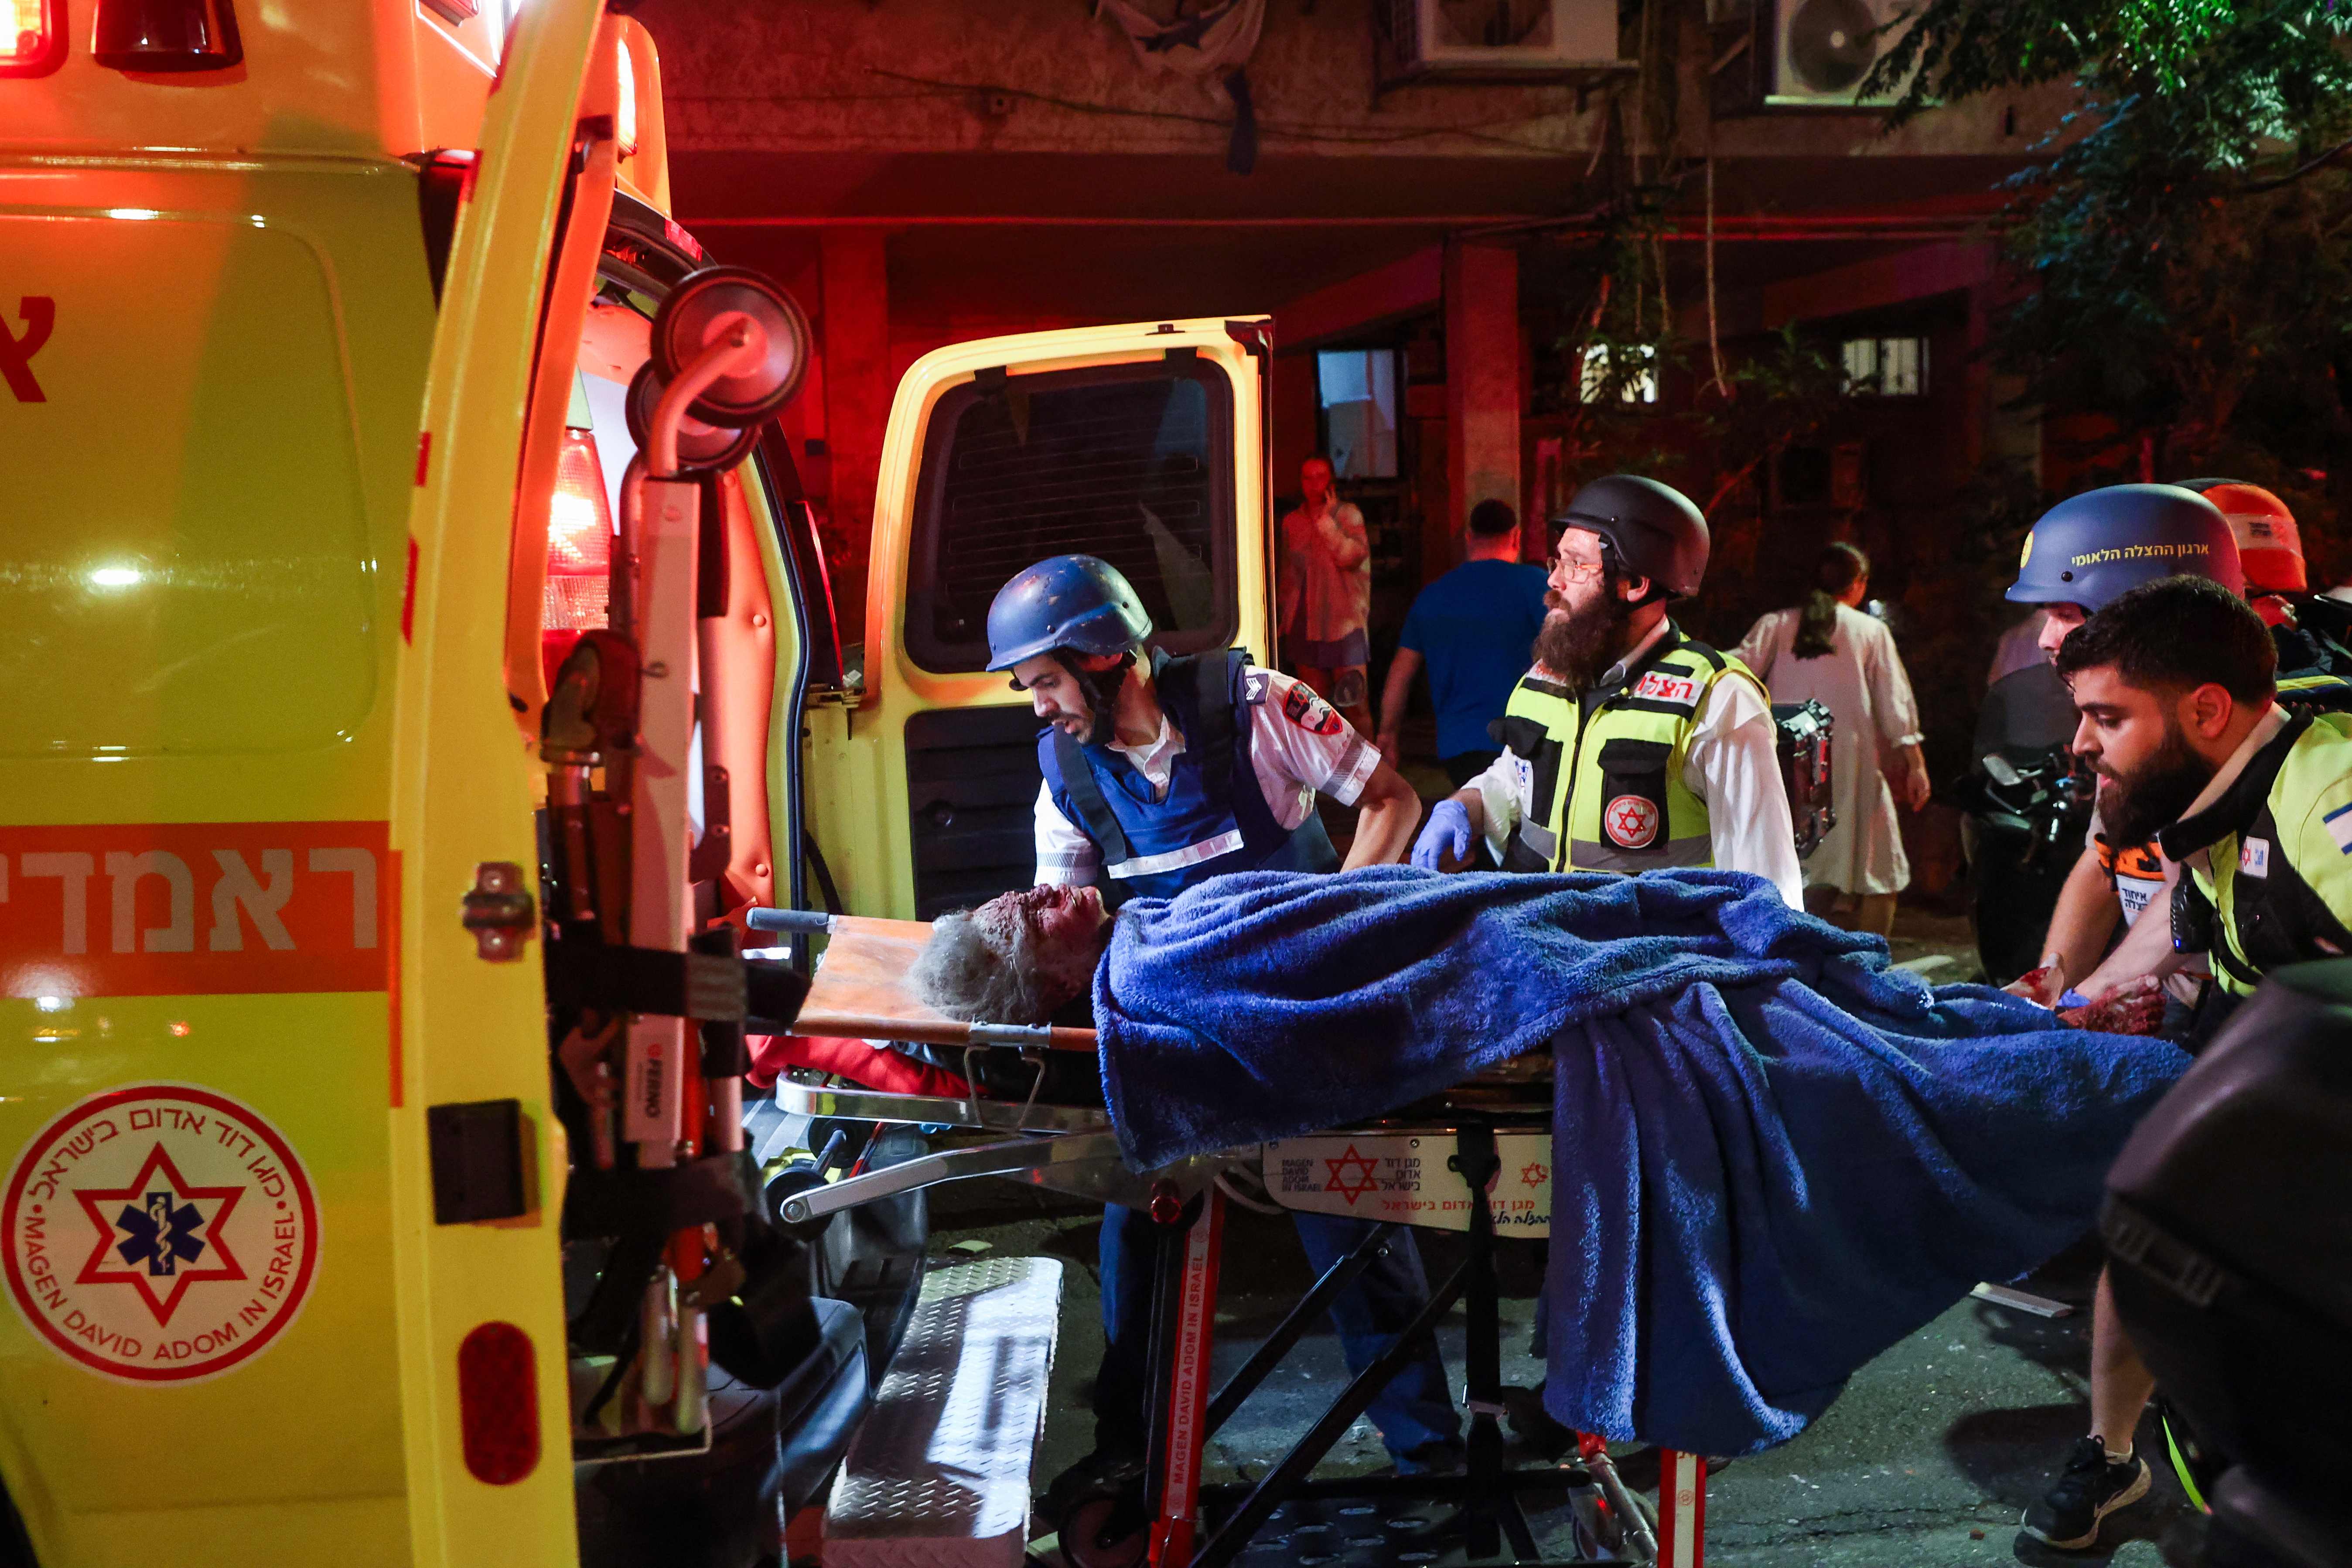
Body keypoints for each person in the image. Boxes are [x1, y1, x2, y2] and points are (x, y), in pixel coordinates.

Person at [910, 866, 2188, 1462]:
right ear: (1043, 975)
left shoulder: (1150, 921)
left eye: (1018, 892)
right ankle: (2102, 1074)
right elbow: (1341, 997)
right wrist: (1526, 950)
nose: (1037, 893)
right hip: (1546, 975)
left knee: (1851, 1026)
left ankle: (2052, 1031)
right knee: (1866, 1080)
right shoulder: (1155, 967)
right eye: (1019, 917)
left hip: (1536, 929)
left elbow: (1372, 910)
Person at [986, 553, 1461, 1489]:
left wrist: (1331, 932)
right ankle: (1136, 1458)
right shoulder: (1064, 775)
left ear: (1106, 655)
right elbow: (1074, 921)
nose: (1038, 706)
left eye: (1044, 681)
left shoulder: (1256, 705)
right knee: (1138, 1228)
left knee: (1354, 1222)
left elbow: (1390, 801)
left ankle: (1430, 1456)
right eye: (1028, 688)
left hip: (1301, 1021)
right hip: (1184, 1038)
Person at [2022, 574, 2352, 1549]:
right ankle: (2115, 1453)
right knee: (2150, 1216)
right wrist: (2070, 1003)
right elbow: (2191, 926)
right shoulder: (2217, 779)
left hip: (2315, 1109)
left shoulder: (2326, 789)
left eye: (2104, 718)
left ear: (2204, 709)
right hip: (2283, 1077)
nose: (2080, 744)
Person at [1408, 474, 1803, 907]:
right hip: (1536, 939)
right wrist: (1466, 806)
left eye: (1576, 564)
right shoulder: (1545, 677)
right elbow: (1515, 779)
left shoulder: (1716, 700)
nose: (1554, 581)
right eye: (1556, 561)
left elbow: (1767, 886)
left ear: (1635, 584)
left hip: (1651, 959)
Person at [2001, 485, 2245, 1006]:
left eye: (2065, 613)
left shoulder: (2219, 727)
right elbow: (2104, 860)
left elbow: (2188, 899)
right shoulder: (2136, 712)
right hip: (2161, 1007)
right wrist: (2048, 991)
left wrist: (2077, 1007)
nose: (2046, 637)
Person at [1735, 543, 1929, 938]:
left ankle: (1795, 956)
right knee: (1878, 869)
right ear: (1857, 585)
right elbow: (1894, 701)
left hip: (1790, 763)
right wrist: (1915, 762)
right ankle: (1870, 963)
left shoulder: (1777, 624)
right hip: (1850, 762)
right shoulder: (1868, 631)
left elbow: (1732, 669)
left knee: (1798, 866)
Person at [1373, 497, 1550, 786]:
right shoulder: (1536, 585)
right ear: (1516, 537)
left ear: (1469, 538)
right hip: (1527, 739)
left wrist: (1388, 734)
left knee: (1477, 819)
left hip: (1459, 746)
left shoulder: (1433, 596)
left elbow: (1401, 672)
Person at [1279, 454, 1374, 734]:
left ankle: (1373, 773)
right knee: (1314, 709)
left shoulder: (1349, 516)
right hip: (1305, 623)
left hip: (1343, 623)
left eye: (1320, 477)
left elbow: (1351, 557)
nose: (1313, 484)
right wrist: (1283, 616)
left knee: (1355, 705)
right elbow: (1288, 574)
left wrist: (1327, 523)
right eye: (1307, 478)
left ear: (1331, 480)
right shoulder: (1292, 522)